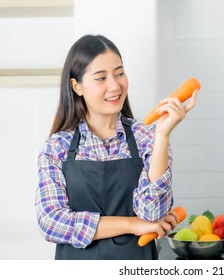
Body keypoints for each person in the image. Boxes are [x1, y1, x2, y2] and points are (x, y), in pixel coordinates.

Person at [34, 34, 197, 260]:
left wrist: (162, 135)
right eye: (101, 78)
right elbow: (51, 222)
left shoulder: (147, 137)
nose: (115, 85)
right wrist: (131, 224)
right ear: (77, 86)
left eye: (119, 73)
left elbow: (152, 214)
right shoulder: (57, 147)